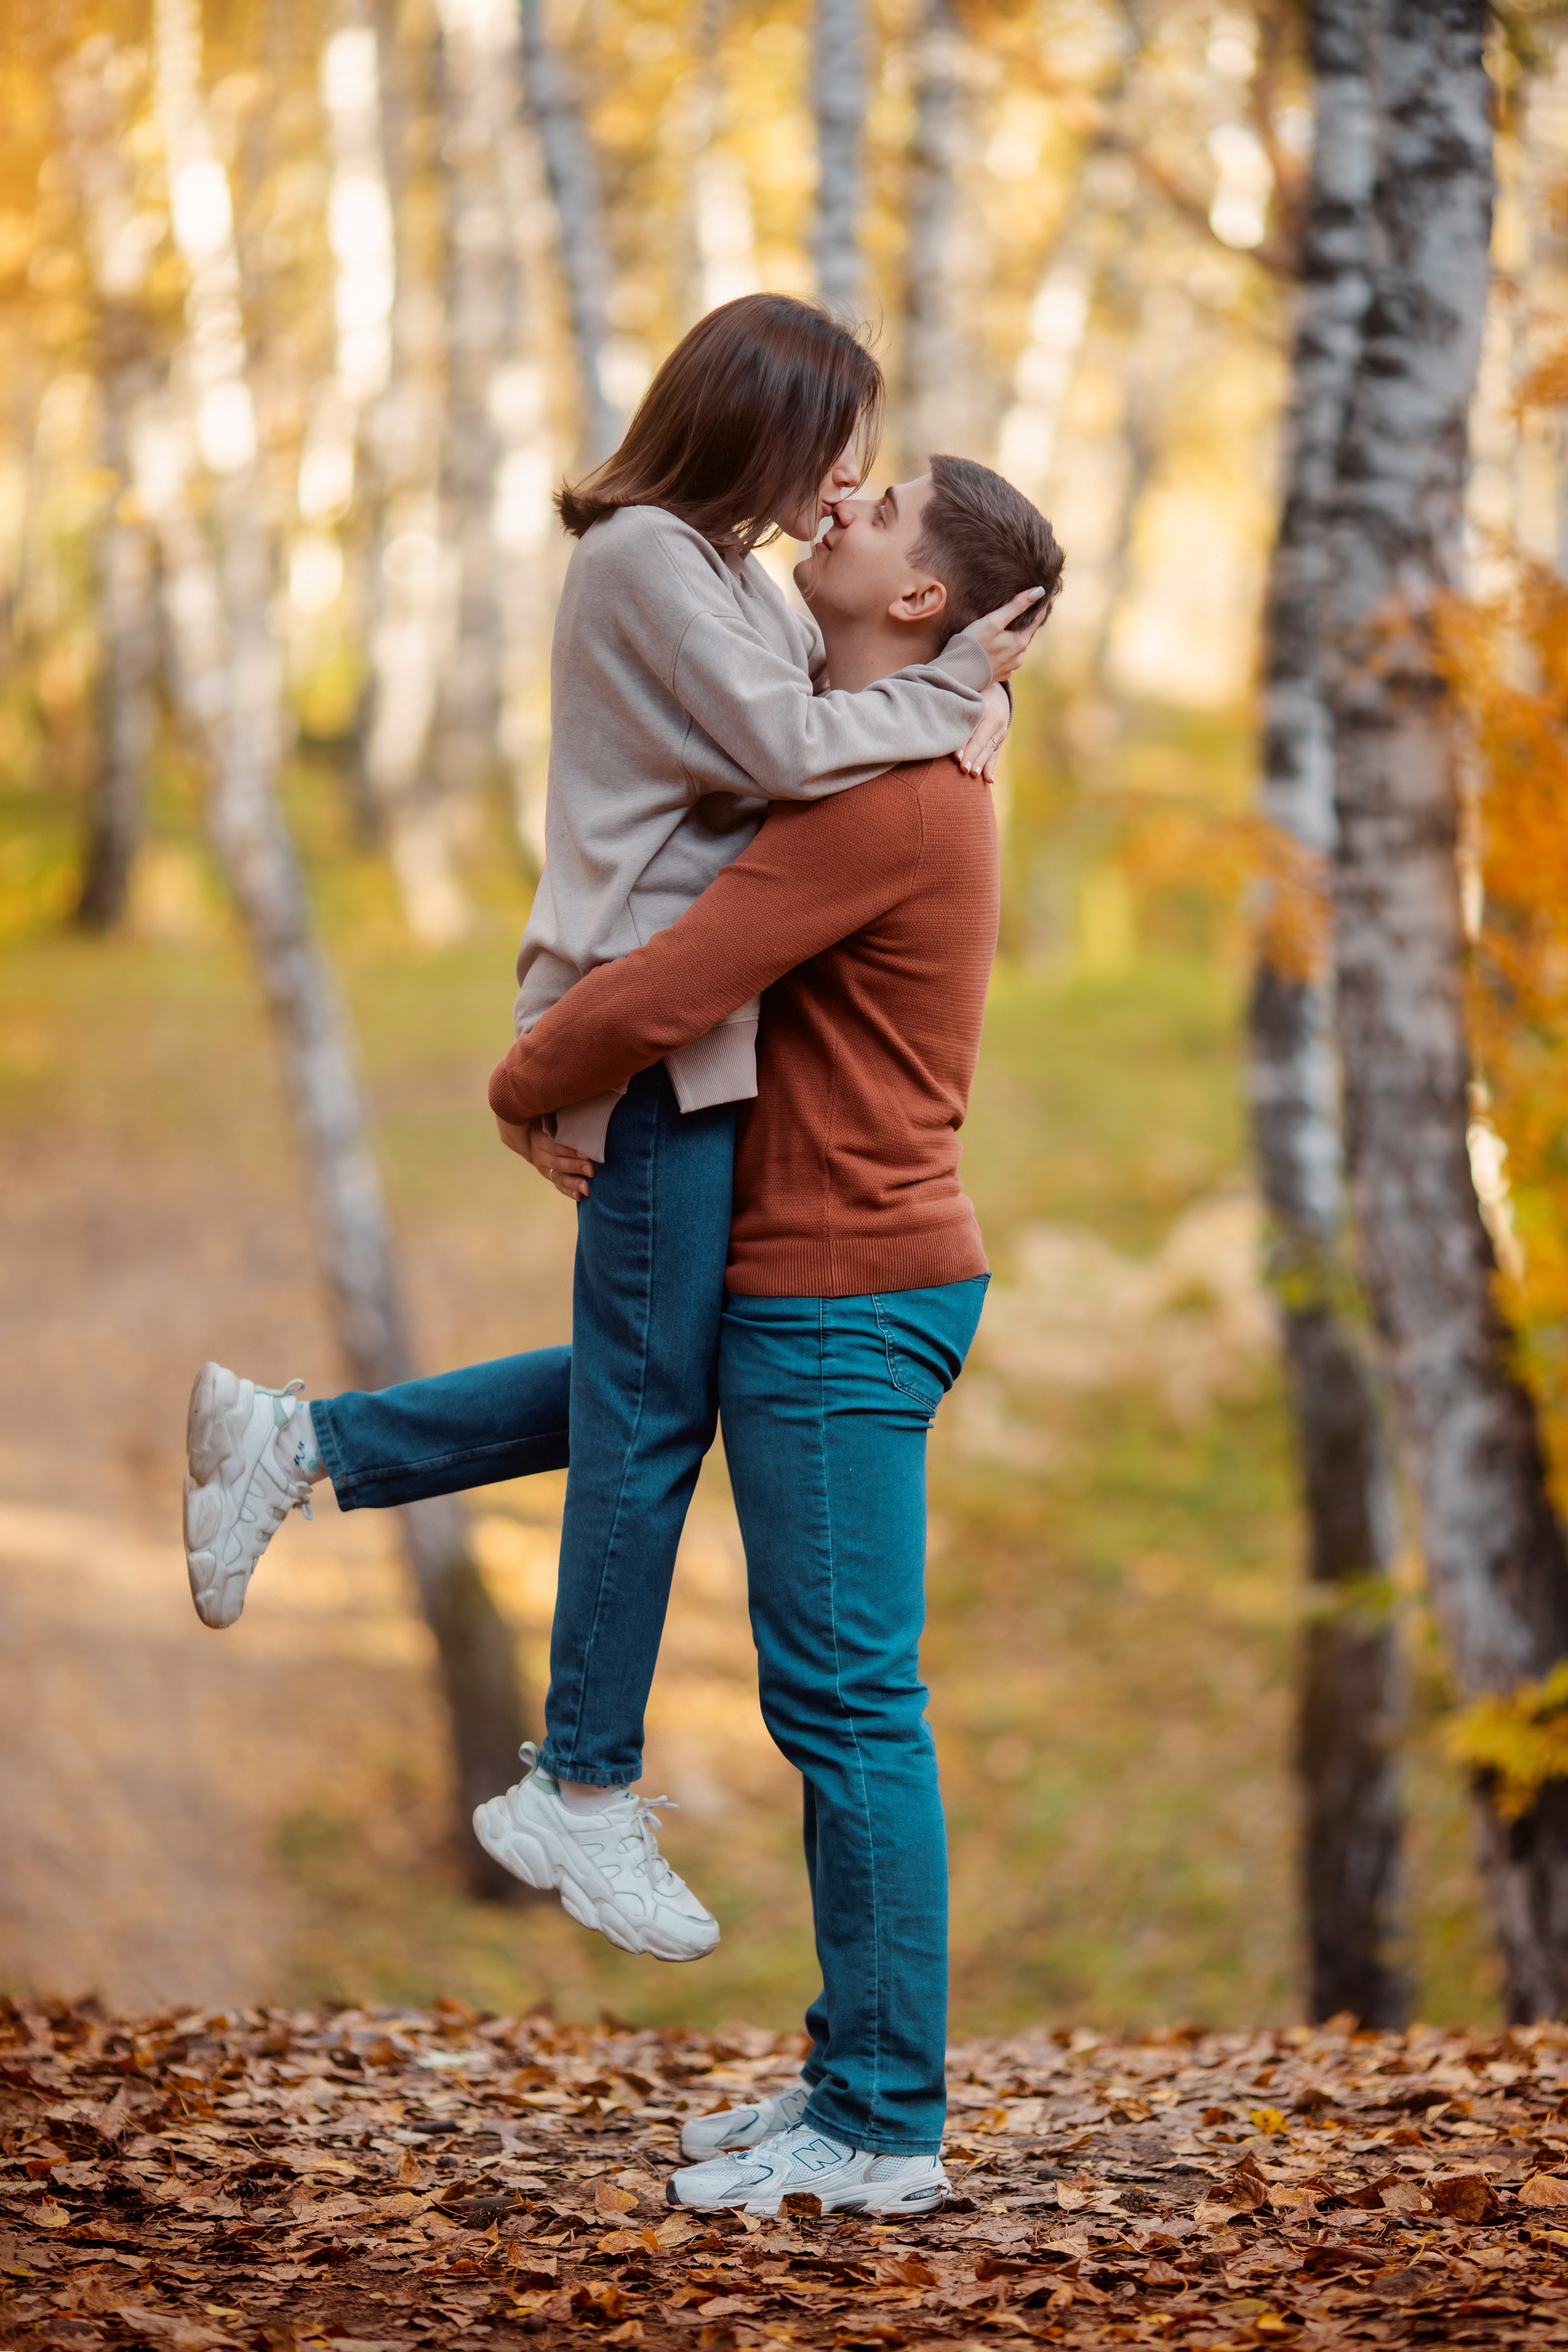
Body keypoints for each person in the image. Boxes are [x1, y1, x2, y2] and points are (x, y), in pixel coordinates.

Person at [182, 296, 1039, 1965]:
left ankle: (300, 1444)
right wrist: (951, 692)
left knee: (654, 1383)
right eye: (835, 447)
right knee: (649, 1416)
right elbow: (796, 750)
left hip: (684, 1038)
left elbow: (830, 727)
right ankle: (578, 1781)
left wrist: (959, 702)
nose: (844, 482)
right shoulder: (645, 556)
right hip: (642, 1026)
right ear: (759, 426)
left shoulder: (729, 576)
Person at [486, 453, 1064, 2215]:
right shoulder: (899, 754)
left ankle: (880, 2123)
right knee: (788, 1633)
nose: (840, 508)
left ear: (923, 603)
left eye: (882, 515)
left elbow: (673, 986)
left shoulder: (885, 800)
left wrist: (521, 1081)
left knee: (849, 1705)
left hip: (843, 1288)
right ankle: (847, 2082)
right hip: (831, 1278)